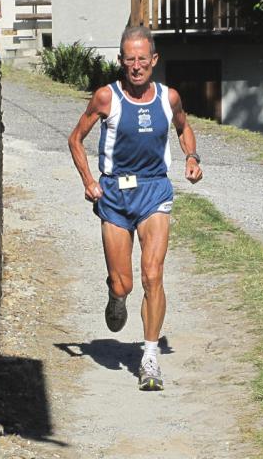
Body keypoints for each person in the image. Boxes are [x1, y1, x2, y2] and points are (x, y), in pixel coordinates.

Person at [68, 26, 203, 391]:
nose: (138, 66)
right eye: (131, 59)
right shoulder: (105, 98)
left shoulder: (168, 98)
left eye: (144, 59)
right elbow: (75, 139)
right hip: (113, 193)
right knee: (125, 282)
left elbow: (184, 127)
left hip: (154, 190)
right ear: (121, 62)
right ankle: (115, 294)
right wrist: (88, 181)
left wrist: (192, 157)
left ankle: (149, 357)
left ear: (154, 60)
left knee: (152, 275)